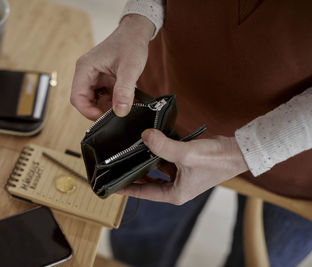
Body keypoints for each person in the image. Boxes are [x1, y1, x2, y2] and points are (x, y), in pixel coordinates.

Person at [70, 0, 312, 266]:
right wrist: (137, 22)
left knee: (263, 259)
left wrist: (248, 151)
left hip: (299, 164)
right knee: (140, 246)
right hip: (165, 111)